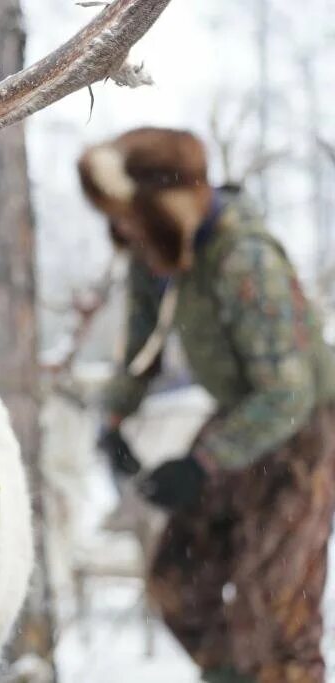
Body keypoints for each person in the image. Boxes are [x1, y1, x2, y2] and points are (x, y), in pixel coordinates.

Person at [80, 128, 335, 683]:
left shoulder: (245, 260)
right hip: (242, 417)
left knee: (275, 617)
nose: (121, 231)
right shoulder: (156, 252)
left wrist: (201, 465)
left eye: (130, 216)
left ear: (168, 206)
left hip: (306, 427)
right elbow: (139, 347)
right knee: (178, 583)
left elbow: (289, 394)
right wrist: (114, 418)